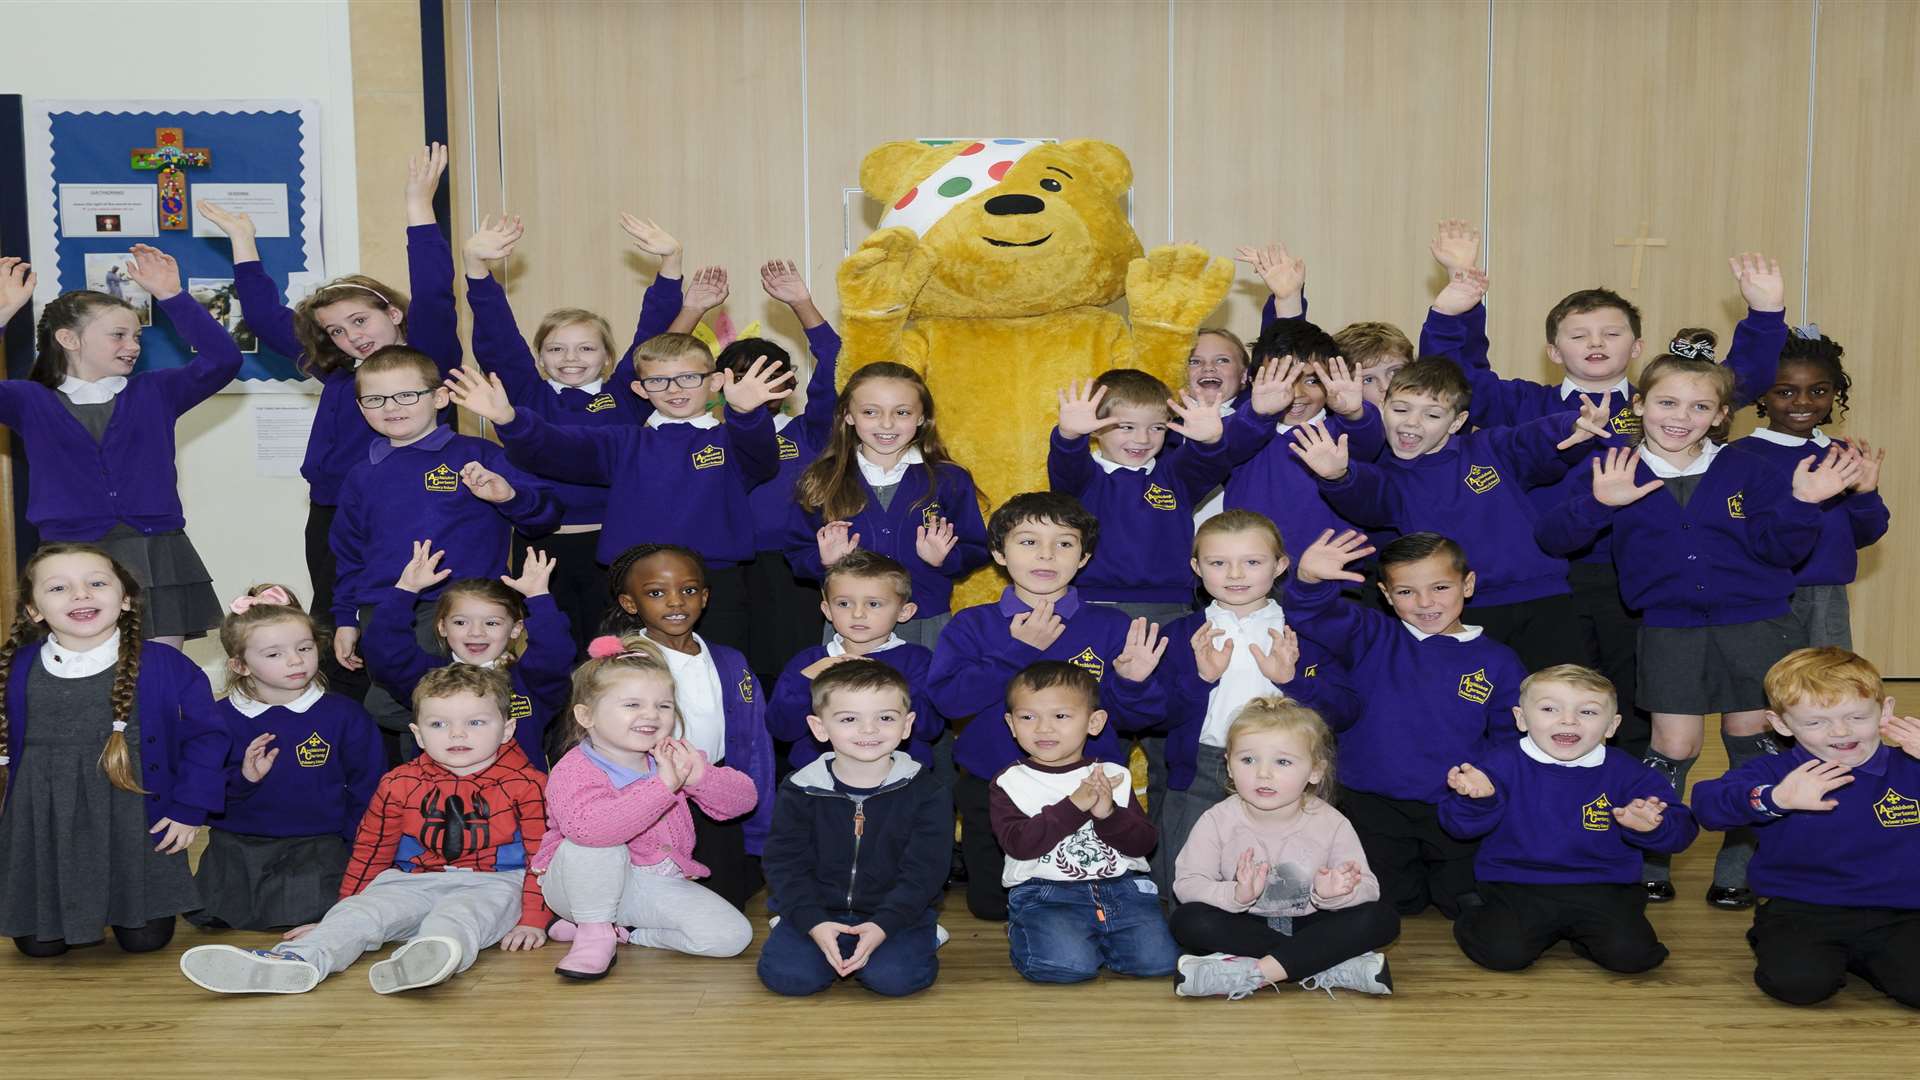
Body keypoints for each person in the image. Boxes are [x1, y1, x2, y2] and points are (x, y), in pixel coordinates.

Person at [1420, 225, 1791, 757]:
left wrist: (1764, 316)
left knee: (1637, 707)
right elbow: (1460, 376)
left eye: (1611, 333)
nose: (1596, 343)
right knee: (1548, 700)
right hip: (1550, 581)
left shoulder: (1663, 406)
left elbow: (1733, 382)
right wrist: (1455, 306)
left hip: (1638, 580)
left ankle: (1633, 824)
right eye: (1578, 334)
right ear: (1553, 349)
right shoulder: (1524, 404)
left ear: (1637, 346)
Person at [1534, 341, 1862, 908]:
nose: (1680, 418)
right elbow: (1553, 539)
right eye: (1666, 403)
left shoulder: (1747, 467)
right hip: (1669, 628)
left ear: (1720, 415)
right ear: (1639, 405)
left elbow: (1780, 549)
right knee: (1673, 742)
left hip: (1757, 626)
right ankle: (1649, 857)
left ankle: (1742, 863)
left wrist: (1805, 503)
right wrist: (1598, 504)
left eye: (1697, 407)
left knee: (1751, 738)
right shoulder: (1617, 465)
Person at [199, 145, 466, 646]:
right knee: (336, 624)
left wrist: (418, 205)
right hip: (333, 515)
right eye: (338, 331)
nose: (352, 337)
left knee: (410, 625)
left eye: (360, 321)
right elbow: (261, 317)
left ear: (394, 314)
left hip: (409, 507)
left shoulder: (430, 358)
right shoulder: (341, 374)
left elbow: (433, 290)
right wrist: (242, 240)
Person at [179, 665, 549, 995]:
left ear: (507, 729)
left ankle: (428, 957)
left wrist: (534, 919)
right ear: (418, 735)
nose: (456, 734)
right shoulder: (398, 782)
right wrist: (339, 914)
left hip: (493, 884)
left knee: (459, 917)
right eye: (439, 724)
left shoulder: (529, 785)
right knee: (362, 915)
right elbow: (372, 849)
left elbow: (541, 858)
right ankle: (293, 962)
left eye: (475, 722)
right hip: (409, 881)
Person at [445, 339, 791, 656]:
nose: (673, 390)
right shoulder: (622, 442)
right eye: (658, 381)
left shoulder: (731, 441)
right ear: (640, 389)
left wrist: (746, 414)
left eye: (688, 378)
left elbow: (760, 456)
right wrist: (508, 418)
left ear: (715, 382)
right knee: (627, 683)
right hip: (632, 588)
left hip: (716, 585)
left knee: (720, 678)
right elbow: (556, 448)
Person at [459, 213, 692, 657]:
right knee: (552, 651)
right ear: (540, 357)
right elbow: (498, 338)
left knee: (616, 652)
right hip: (541, 545)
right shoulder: (524, 396)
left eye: (586, 348)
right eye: (556, 348)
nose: (571, 358)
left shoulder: (626, 394)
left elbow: (654, 332)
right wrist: (476, 269)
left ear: (608, 357)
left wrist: (670, 265)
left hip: (616, 544)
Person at [929, 492, 1168, 921]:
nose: (1046, 554)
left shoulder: (1111, 625)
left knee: (1092, 901)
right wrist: (1016, 650)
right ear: (1000, 553)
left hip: (1093, 788)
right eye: (1027, 541)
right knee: (993, 907)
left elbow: (1140, 719)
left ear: (1084, 557)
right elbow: (947, 701)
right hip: (993, 787)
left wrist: (1133, 683)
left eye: (1063, 543)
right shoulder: (973, 624)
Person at [1290, 357, 1613, 670]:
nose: (1412, 423)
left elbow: (1531, 440)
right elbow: (1366, 498)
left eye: (1432, 415)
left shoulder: (1488, 447)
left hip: (1544, 597)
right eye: (1400, 409)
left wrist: (1571, 424)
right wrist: (1338, 477)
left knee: (1565, 696)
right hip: (1463, 610)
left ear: (1456, 422)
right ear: (1383, 408)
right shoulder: (1387, 475)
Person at [0, 248, 242, 647]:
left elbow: (223, 360)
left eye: (137, 337)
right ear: (68, 339)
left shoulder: (156, 391)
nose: (132, 345)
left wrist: (173, 297)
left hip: (156, 552)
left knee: (159, 676)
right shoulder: (29, 401)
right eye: (118, 335)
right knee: (85, 678)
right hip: (71, 557)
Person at [1284, 529, 1527, 918]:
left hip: (1453, 806)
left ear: (1468, 584)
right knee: (1396, 901)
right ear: (1385, 594)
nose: (1425, 602)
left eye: (1440, 587)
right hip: (1373, 801)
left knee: (1461, 902)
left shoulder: (1499, 660)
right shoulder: (1370, 634)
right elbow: (1314, 614)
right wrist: (1309, 580)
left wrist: (1487, 783)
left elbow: (1509, 738)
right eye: (1406, 592)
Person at [0, 543, 227, 957]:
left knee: (145, 941)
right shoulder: (15, 668)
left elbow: (208, 738)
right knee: (38, 948)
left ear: (124, 599)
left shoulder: (164, 664)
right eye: (59, 588)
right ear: (33, 610)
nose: (81, 595)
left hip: (135, 818)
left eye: (96, 583)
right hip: (44, 819)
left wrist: (189, 809)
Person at [1692, 647, 1920, 1008]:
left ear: (1886, 711)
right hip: (1804, 906)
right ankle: (1779, 937)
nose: (1841, 731)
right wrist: (1774, 799)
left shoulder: (1911, 765)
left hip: (1902, 910)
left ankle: (1867, 958)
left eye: (1857, 716)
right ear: (1781, 724)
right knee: (1799, 986)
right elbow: (1707, 804)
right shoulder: (1774, 773)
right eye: (1816, 722)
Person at [1151, 511, 1358, 894]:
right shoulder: (1180, 635)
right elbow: (1155, 717)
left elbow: (1344, 711)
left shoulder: (1304, 632)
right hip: (1201, 765)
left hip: (1286, 769)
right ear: (1197, 567)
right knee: (1189, 882)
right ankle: (1196, 946)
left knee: (1284, 883)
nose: (1235, 575)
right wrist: (1200, 680)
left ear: (1280, 565)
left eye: (1252, 562)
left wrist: (1292, 681)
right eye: (1218, 563)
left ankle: (1275, 946)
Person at [1441, 665, 1697, 973]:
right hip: (1516, 882)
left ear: (1612, 726)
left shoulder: (1630, 773)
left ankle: (1584, 936)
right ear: (1521, 718)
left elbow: (1683, 829)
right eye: (1549, 708)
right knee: (1503, 954)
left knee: (1634, 957)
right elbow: (1457, 826)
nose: (1568, 720)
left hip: (1604, 884)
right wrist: (1479, 801)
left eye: (1587, 712)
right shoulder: (1498, 763)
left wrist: (1652, 827)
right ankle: (1473, 911)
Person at [328, 346, 559, 681]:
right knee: (391, 706)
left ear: (439, 398)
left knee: (465, 704)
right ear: (361, 408)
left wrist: (508, 496)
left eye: (406, 395)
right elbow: (348, 553)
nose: (391, 407)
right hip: (386, 606)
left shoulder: (479, 455)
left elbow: (545, 517)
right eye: (375, 399)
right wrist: (346, 618)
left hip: (467, 611)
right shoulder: (361, 475)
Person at [536, 633, 756, 981]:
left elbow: (744, 801)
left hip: (649, 886)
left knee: (732, 937)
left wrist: (701, 777)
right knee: (595, 843)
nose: (651, 715)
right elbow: (590, 831)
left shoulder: (674, 756)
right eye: (631, 705)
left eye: (663, 706)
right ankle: (593, 933)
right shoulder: (574, 768)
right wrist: (663, 787)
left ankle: (625, 933)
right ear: (586, 716)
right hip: (576, 886)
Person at [1169, 696, 1398, 998]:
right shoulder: (1217, 820)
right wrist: (1235, 894)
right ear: (1229, 765)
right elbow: (1187, 884)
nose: (1263, 773)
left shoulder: (1332, 822)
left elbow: (1369, 887)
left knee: (1382, 918)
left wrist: (1332, 894)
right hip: (1248, 924)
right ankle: (1324, 963)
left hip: (1314, 922)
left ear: (1315, 771)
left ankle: (1255, 973)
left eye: (1283, 762)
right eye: (1248, 760)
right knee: (1188, 921)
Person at [193, 586, 382, 931]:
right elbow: (199, 793)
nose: (295, 661)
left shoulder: (345, 715)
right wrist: (244, 778)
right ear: (240, 665)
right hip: (239, 845)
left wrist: (361, 852)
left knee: (308, 912)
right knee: (216, 916)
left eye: (304, 648)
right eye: (274, 654)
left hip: (316, 845)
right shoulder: (217, 718)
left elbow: (367, 790)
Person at [758, 659, 951, 997]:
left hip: (896, 913)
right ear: (819, 728)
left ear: (907, 726)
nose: (869, 730)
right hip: (818, 909)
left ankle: (925, 933)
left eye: (885, 718)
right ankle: (796, 926)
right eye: (849, 719)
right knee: (790, 979)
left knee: (894, 979)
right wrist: (812, 922)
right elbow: (784, 864)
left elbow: (925, 871)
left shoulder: (927, 790)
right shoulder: (800, 787)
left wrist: (884, 924)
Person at [601, 544, 775, 908]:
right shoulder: (624, 662)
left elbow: (756, 743)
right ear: (631, 604)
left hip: (715, 794)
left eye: (689, 590)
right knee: (647, 897)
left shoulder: (730, 661)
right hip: (653, 798)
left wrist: (760, 827)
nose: (676, 602)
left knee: (726, 900)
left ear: (706, 597)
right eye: (656, 593)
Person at [991, 661, 1180, 984]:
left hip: (1121, 888)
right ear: (1011, 724)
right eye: (1028, 717)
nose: (1043, 729)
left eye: (1061, 716)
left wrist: (1108, 814)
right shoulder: (1010, 781)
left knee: (1158, 963)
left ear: (1094, 722)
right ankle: (1032, 928)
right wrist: (1074, 806)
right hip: (1046, 893)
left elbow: (1144, 843)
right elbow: (1020, 845)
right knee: (1066, 968)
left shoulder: (1113, 775)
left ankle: (1094, 938)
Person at [786, 361, 988, 647]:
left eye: (902, 412)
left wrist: (946, 558)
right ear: (848, 415)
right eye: (870, 412)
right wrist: (824, 561)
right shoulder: (822, 479)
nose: (887, 424)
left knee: (921, 691)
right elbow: (796, 552)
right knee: (849, 691)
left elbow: (976, 548)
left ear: (922, 418)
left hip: (924, 621)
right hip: (850, 628)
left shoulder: (949, 479)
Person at [1740, 329, 1889, 649]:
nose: (1803, 401)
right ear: (1761, 394)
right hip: (1759, 593)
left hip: (1826, 595)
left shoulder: (1842, 454)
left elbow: (1865, 534)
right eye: (1785, 392)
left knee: (1826, 688)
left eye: (1818, 390)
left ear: (1836, 392)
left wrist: (1865, 494)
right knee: (1765, 687)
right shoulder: (1739, 457)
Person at [361, 542, 571, 769]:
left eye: (491, 623)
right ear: (442, 627)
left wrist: (539, 598)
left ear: (516, 629)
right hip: (438, 799)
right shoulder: (427, 678)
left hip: (515, 800)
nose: (476, 632)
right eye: (461, 622)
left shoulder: (530, 681)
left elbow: (555, 656)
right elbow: (386, 653)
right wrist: (405, 591)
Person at [768, 551, 939, 770]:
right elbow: (781, 729)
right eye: (844, 604)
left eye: (874, 604)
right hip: (821, 784)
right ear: (827, 610)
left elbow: (929, 727)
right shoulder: (808, 663)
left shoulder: (918, 660)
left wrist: (885, 681)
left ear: (904, 612)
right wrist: (807, 680)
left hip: (898, 782)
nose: (858, 614)